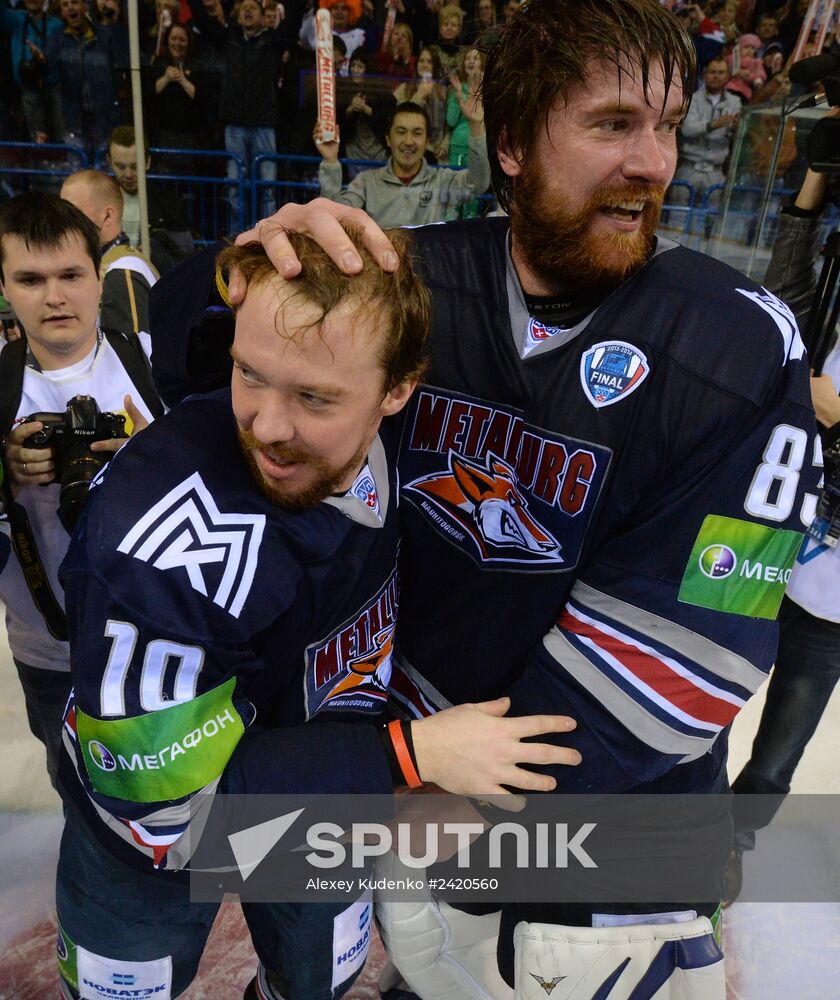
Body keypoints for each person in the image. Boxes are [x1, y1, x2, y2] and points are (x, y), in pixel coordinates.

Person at [237, 0, 820, 995]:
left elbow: (692, 648)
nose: (655, 162)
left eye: (667, 125)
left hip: (606, 844)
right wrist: (258, 284)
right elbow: (259, 435)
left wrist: (446, 806)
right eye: (612, 124)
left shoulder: (743, 347)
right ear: (510, 143)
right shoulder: (411, 285)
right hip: (422, 783)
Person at [53, 224, 579, 1000]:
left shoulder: (400, 434)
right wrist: (407, 757)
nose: (267, 425)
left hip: (328, 793)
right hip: (150, 835)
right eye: (250, 373)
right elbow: (163, 822)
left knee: (317, 980)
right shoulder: (156, 552)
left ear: (398, 392)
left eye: (314, 397)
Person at [0, 192, 161, 788]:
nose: (54, 296)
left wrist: (155, 454)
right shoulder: (2, 387)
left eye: (71, 275)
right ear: (4, 287)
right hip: (51, 647)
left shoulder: (152, 363)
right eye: (30, 279)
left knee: (168, 788)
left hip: (157, 633)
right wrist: (5, 469)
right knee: (76, 786)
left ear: (99, 277)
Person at [725, 164, 840, 904]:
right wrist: (815, 180)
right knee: (693, 690)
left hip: (832, 585)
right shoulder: (833, 294)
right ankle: (670, 820)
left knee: (778, 749)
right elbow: (783, 295)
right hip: (758, 530)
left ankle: (730, 842)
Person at [316, 101, 490, 227]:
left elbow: (478, 184)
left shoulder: (442, 181)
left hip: (429, 267)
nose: (408, 141)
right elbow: (335, 215)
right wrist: (330, 161)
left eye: (417, 133)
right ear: (388, 139)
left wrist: (476, 126)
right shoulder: (367, 182)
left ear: (427, 141)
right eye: (401, 132)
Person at [60, 169, 159, 336]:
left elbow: (132, 350)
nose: (63, 223)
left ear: (107, 216)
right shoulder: (112, 265)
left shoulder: (123, 271)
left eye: (72, 213)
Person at [106, 125, 194, 273]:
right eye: (120, 167)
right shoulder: (100, 202)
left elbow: (185, 257)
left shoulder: (170, 204)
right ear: (109, 161)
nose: (128, 174)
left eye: (135, 166)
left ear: (147, 162)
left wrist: (155, 252)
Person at [672, 56, 740, 205]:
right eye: (712, 72)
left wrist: (735, 129)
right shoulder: (692, 99)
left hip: (715, 171)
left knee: (709, 216)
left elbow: (735, 134)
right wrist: (714, 125)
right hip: (689, 168)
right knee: (678, 215)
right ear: (704, 75)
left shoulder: (735, 102)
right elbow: (687, 129)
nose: (716, 76)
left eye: (721, 72)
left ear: (727, 76)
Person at [0, 0, 64, 143]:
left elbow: (58, 50)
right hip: (28, 88)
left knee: (63, 135)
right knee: (38, 140)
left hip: (54, 87)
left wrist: (43, 58)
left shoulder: (57, 24)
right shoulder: (16, 19)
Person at [392, 45, 449, 163]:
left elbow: (450, 125)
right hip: (411, 149)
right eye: (421, 61)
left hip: (438, 152)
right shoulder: (404, 89)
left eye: (429, 62)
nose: (425, 65)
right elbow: (400, 119)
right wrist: (419, 95)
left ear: (435, 66)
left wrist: (445, 145)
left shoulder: (444, 92)